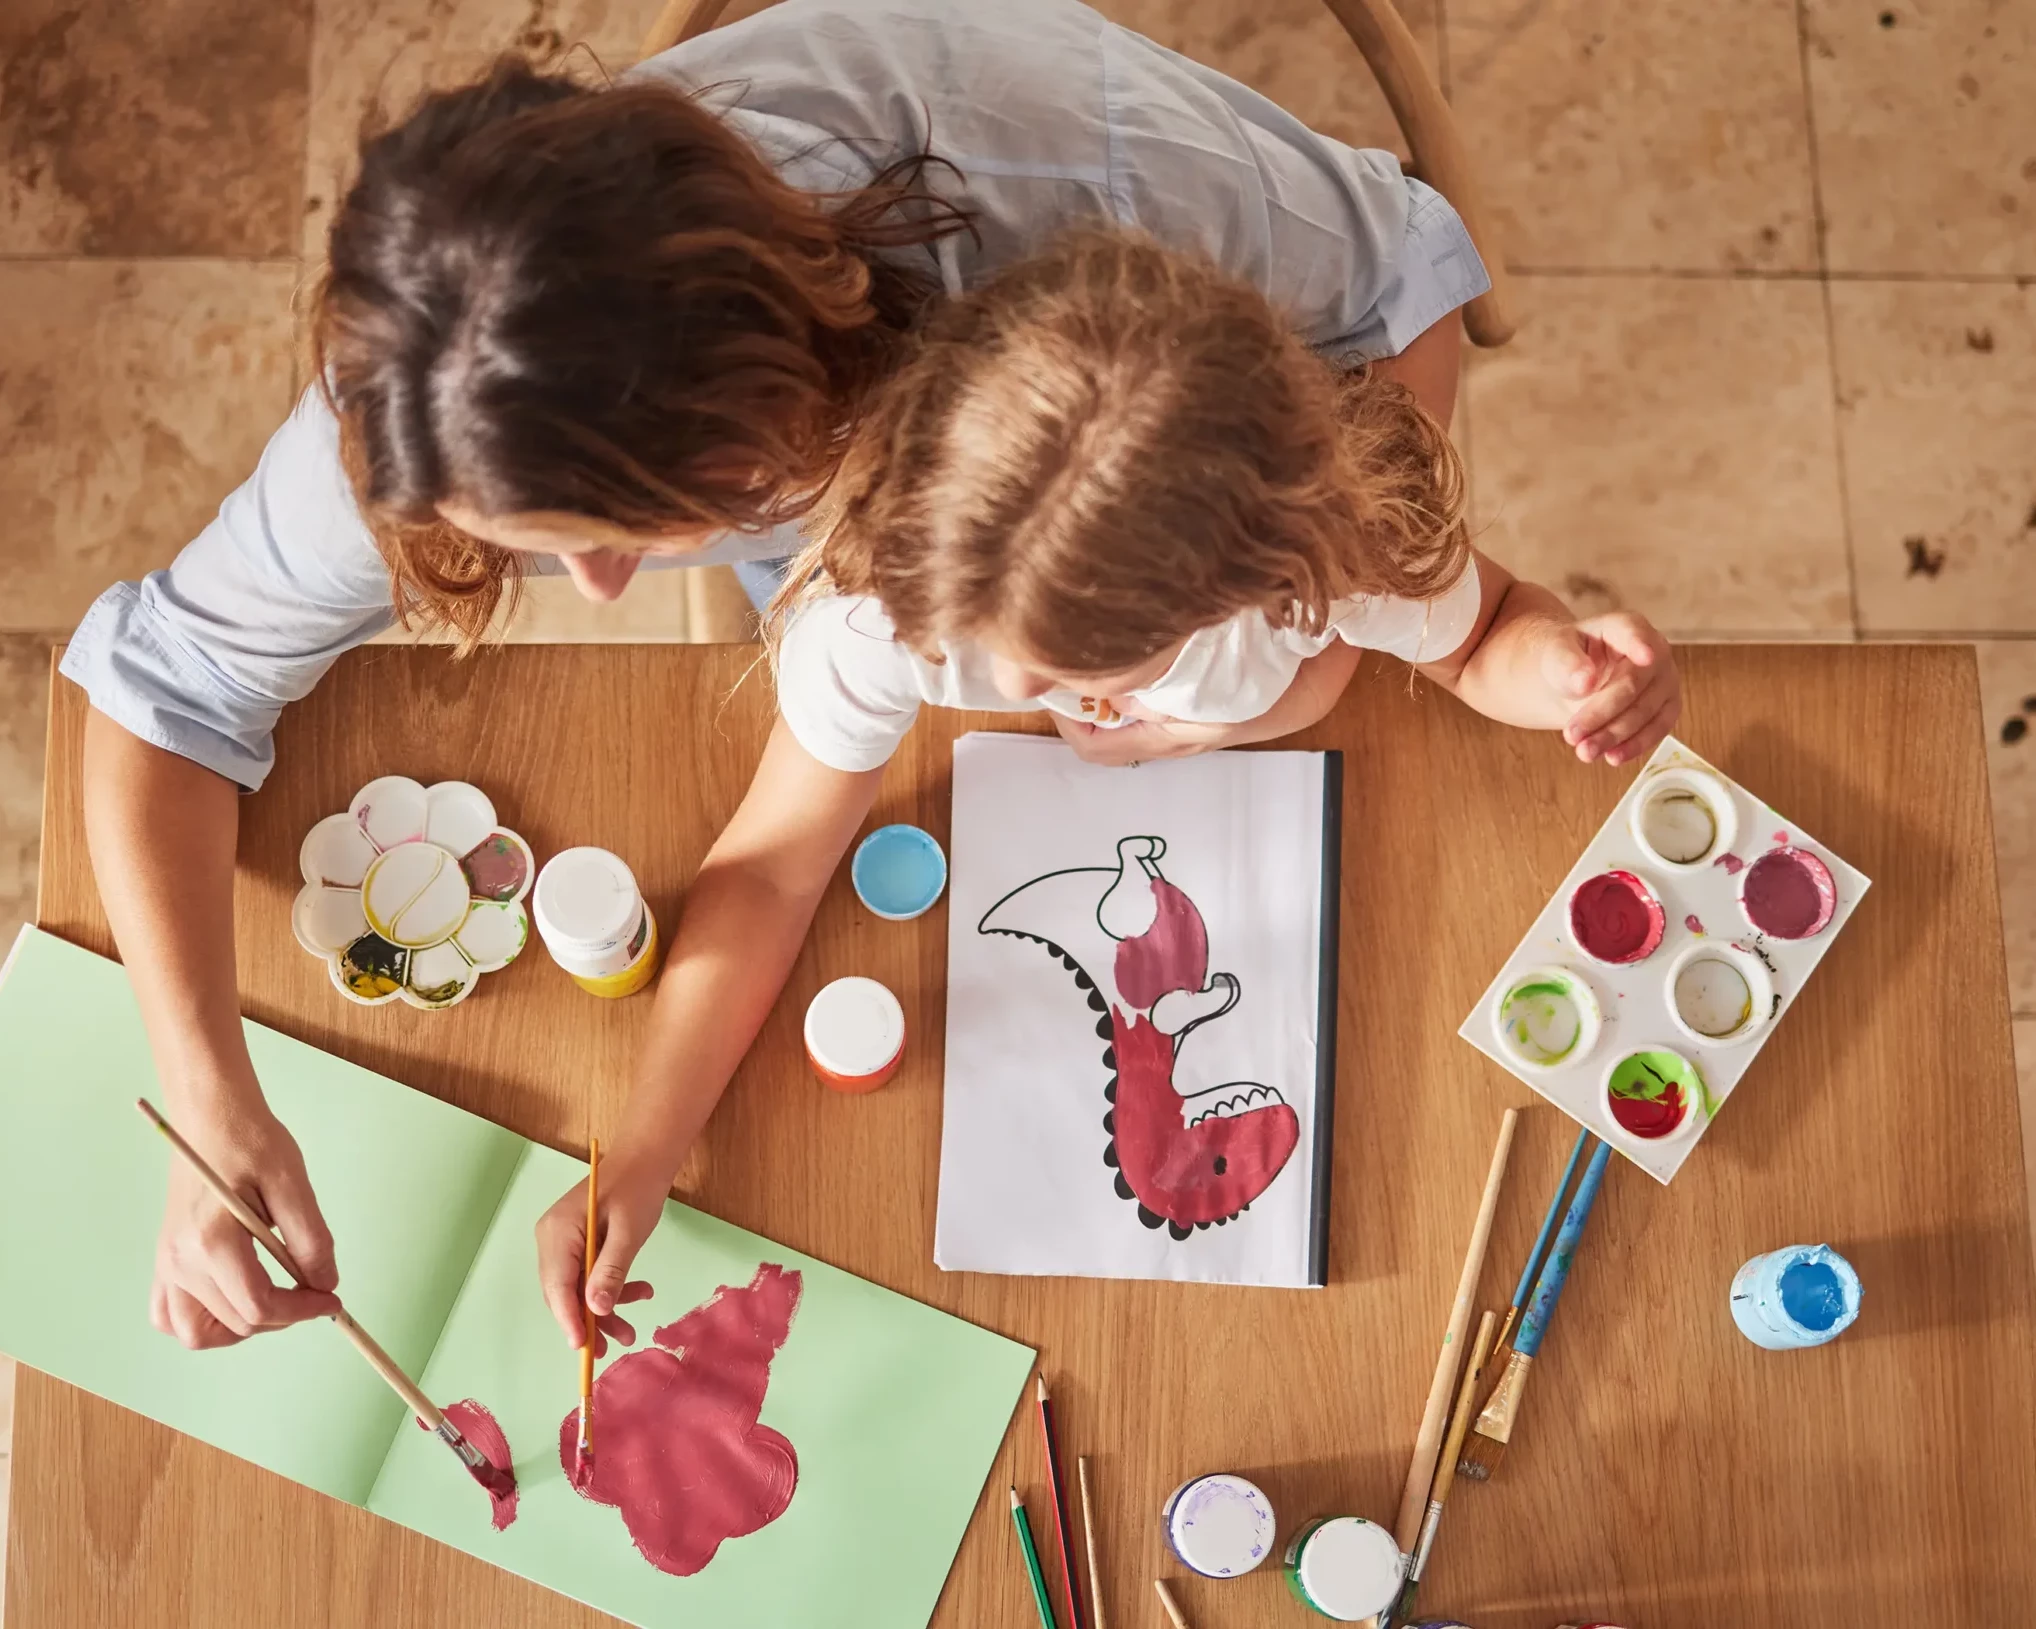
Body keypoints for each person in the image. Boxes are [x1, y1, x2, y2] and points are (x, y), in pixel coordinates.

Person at [73, 0, 1504, 1352]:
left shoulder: (1090, 197)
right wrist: (210, 1101)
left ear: (765, 406)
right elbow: (167, 684)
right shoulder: (441, 387)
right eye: (545, 548)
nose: (609, 592)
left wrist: (1267, 647)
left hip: (1194, 492)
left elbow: (1404, 288)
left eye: (631, 531)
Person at [529, 229, 1680, 1353]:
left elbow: (1477, 637)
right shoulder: (877, 606)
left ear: (1259, 581)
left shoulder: (1325, 547)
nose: (1026, 693)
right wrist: (642, 1147)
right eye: (983, 650)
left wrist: (1570, 675)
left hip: (1368, 289)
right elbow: (776, 864)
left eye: (1086, 673)